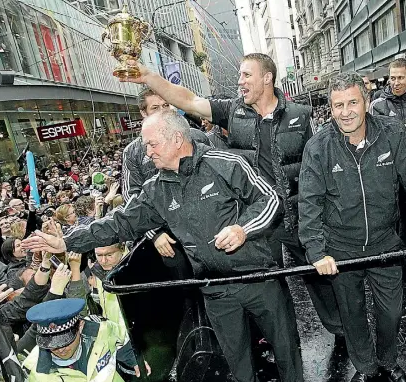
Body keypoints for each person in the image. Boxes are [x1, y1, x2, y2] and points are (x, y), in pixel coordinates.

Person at [22, 111, 312, 382]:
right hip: (213, 287)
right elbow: (117, 224)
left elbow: (270, 199)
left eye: (152, 144)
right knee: (234, 349)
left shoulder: (225, 163)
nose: (147, 152)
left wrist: (242, 228)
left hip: (258, 277)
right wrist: (66, 242)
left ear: (176, 139)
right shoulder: (155, 189)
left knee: (283, 339)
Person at [118, 52, 343, 341]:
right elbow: (188, 100)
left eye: (246, 75)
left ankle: (340, 331)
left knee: (319, 274)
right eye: (239, 76)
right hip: (256, 218)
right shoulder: (232, 111)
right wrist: (148, 76)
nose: (240, 82)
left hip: (300, 213)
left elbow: (318, 163)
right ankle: (283, 342)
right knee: (268, 284)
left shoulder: (301, 115)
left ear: (267, 78)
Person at [298, 72, 406, 382]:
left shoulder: (393, 133)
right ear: (330, 107)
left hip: (385, 243)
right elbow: (308, 204)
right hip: (340, 247)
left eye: (352, 102)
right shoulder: (318, 148)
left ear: (366, 102)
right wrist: (316, 251)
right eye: (338, 105)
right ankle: (366, 368)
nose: (345, 112)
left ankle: (387, 360)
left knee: (391, 311)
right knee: (352, 314)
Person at [122, 87, 209, 271]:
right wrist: (154, 233)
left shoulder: (196, 137)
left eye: (166, 105)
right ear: (143, 113)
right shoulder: (133, 152)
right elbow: (132, 197)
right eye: (155, 108)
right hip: (168, 239)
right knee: (185, 294)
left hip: (207, 226)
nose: (163, 111)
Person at [22, 297, 138, 382]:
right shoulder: (31, 371)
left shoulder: (101, 330)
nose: (60, 350)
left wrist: (134, 360)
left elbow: (120, 337)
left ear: (81, 326)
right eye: (52, 345)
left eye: (66, 342)